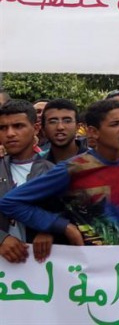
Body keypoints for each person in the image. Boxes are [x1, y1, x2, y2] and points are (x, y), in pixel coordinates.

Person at [0, 99, 119, 246]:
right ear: (93, 132)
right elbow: (10, 202)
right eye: (115, 124)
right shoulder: (73, 168)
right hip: (84, 262)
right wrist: (61, 226)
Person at [0, 100, 54, 263]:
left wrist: (49, 230)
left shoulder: (53, 173)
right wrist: (1, 238)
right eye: (3, 128)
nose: (10, 133)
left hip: (40, 271)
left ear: (36, 128)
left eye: (18, 126)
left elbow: (68, 214)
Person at [39, 99, 87, 164]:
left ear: (77, 127)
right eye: (53, 122)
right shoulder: (37, 163)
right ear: (43, 129)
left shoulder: (95, 161)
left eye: (67, 121)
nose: (60, 127)